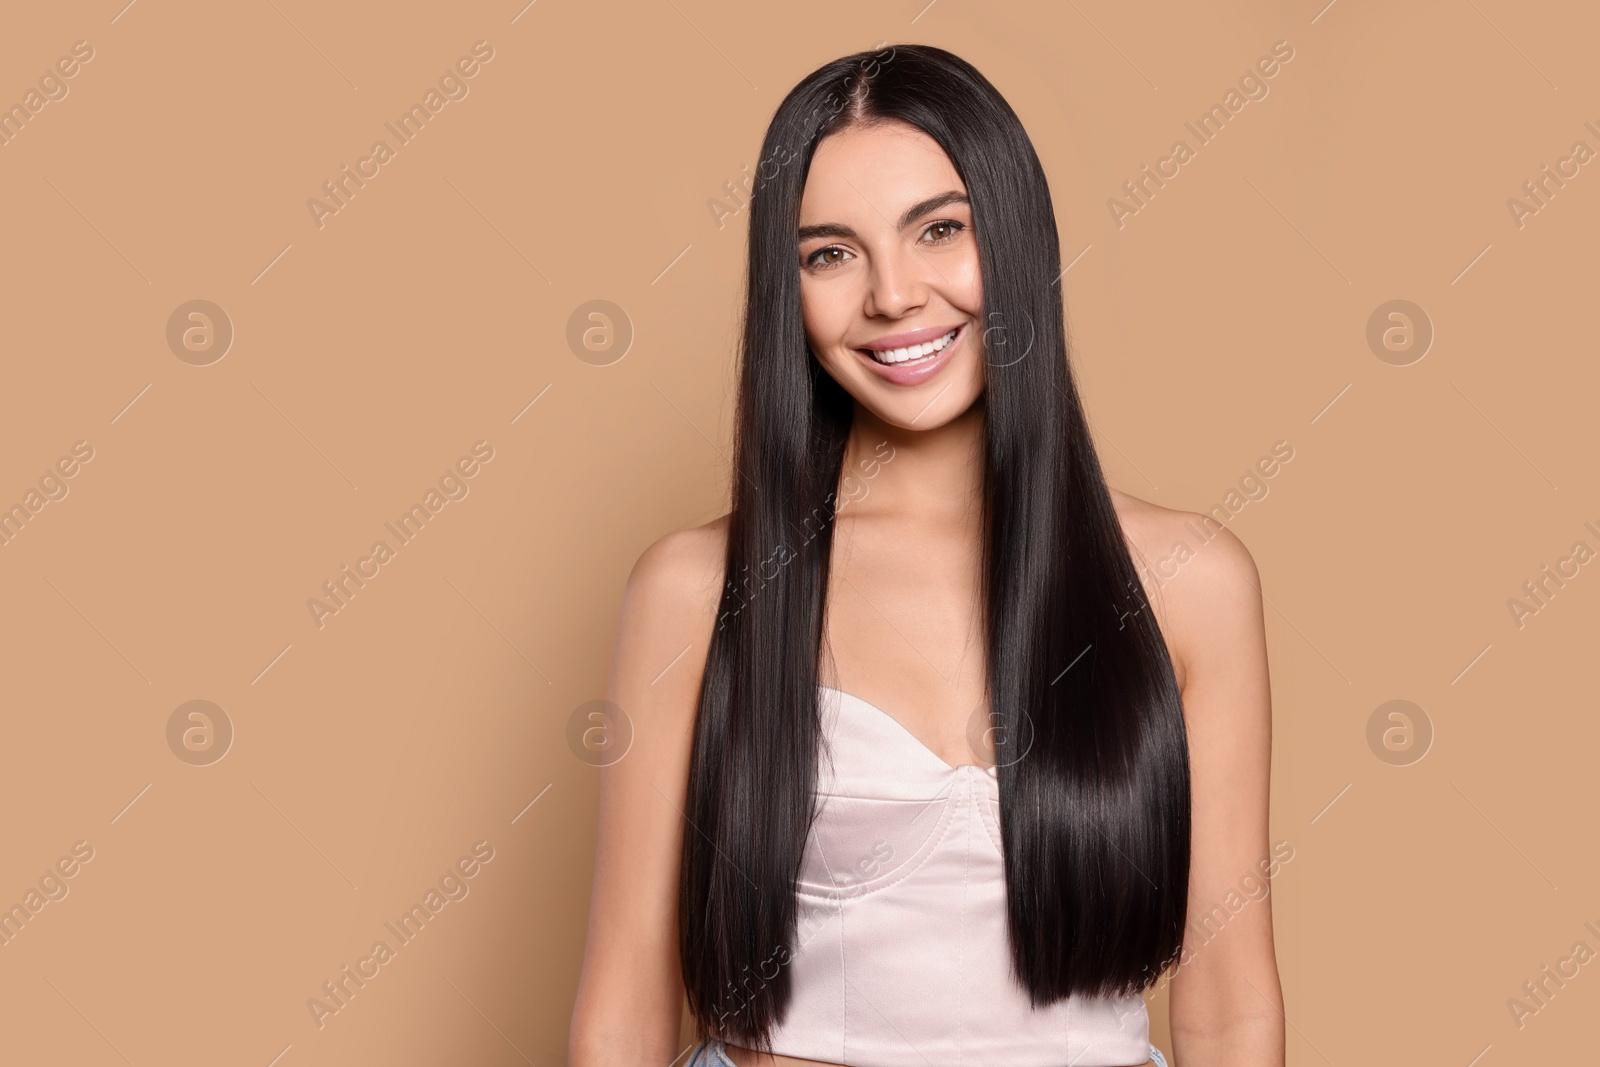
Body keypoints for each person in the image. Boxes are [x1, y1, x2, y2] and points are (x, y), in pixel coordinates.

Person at [570, 43, 1283, 1067]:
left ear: (1017, 238)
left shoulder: (1190, 579)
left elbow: (1228, 999)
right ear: (788, 289)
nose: (893, 295)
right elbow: (623, 1005)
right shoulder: (693, 589)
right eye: (829, 253)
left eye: (940, 230)